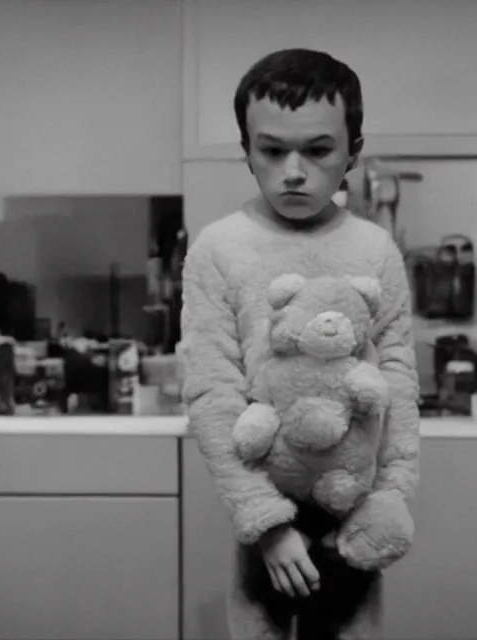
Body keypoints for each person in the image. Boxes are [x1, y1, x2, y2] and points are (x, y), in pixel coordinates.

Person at [179, 48, 420, 640]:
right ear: (246, 152)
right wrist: (265, 522)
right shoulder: (219, 249)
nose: (293, 169)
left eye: (316, 150)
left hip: (352, 511)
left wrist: (388, 498)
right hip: (264, 517)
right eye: (271, 149)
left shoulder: (374, 250)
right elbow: (212, 390)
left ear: (351, 156)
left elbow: (398, 381)